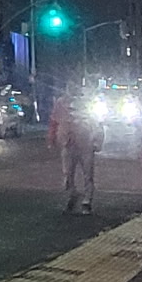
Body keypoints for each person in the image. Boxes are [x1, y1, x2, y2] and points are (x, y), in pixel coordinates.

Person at [47, 85, 103, 214]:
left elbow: (98, 124)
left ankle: (87, 201)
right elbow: (54, 121)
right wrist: (52, 138)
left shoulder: (89, 104)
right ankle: (72, 194)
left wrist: (97, 142)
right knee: (68, 173)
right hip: (68, 143)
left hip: (85, 143)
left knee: (87, 174)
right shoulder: (61, 103)